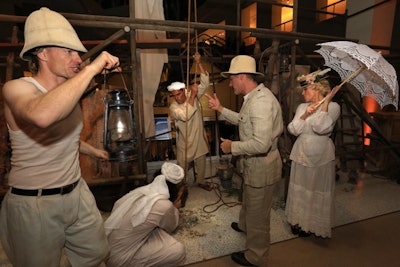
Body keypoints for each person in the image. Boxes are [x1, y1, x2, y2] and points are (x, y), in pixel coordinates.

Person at [0, 7, 121, 267]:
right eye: (68, 51)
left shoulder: (68, 96)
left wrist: (95, 152)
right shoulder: (17, 89)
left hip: (77, 193)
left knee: (96, 256)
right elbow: (43, 116)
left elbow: (65, 137)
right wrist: (91, 69)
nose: (77, 58)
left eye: (77, 52)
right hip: (35, 202)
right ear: (42, 53)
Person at [205, 55, 283, 267]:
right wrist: (220, 109)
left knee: (259, 215)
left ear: (241, 77)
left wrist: (233, 147)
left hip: (262, 167)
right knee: (249, 200)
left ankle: (255, 256)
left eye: (231, 79)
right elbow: (242, 119)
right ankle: (244, 225)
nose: (230, 84)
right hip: (255, 166)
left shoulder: (260, 102)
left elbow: (261, 144)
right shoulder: (254, 97)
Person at [285, 70, 340, 238]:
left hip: (321, 155)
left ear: (316, 89)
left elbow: (321, 128)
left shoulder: (333, 107)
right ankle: (297, 221)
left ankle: (311, 225)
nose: (302, 93)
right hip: (301, 152)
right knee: (300, 189)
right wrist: (305, 114)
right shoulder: (302, 107)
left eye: (305, 89)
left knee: (314, 189)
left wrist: (325, 104)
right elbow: (293, 129)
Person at [104, 162, 187, 267]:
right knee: (178, 250)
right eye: (179, 194)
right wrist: (175, 207)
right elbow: (171, 226)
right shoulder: (164, 205)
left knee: (154, 228)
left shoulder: (144, 190)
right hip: (119, 259)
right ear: (173, 191)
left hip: (106, 249)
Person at [167, 52, 211, 191]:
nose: (177, 98)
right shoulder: (173, 107)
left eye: (179, 94)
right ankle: (182, 184)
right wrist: (193, 94)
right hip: (185, 141)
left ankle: (201, 181)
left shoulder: (191, 95)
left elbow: (205, 82)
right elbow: (186, 115)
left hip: (198, 138)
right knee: (182, 167)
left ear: (183, 91)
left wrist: (199, 62)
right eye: (174, 96)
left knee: (201, 161)